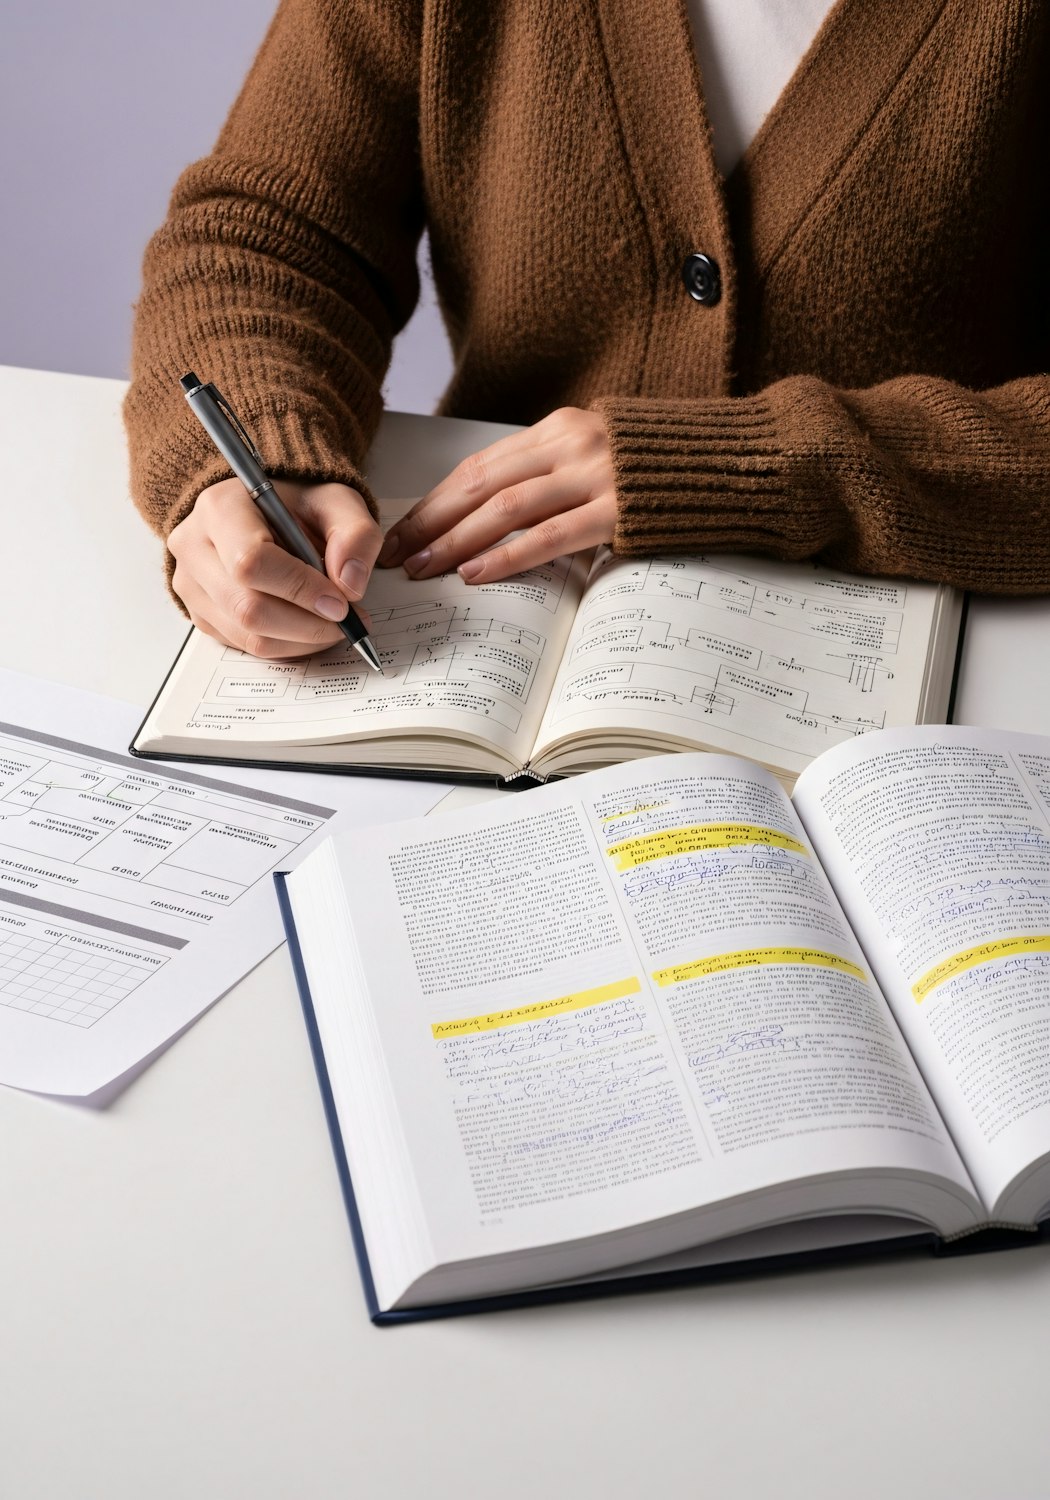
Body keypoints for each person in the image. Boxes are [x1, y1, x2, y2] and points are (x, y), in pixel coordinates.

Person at [125, 0, 1050, 663]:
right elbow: (263, 243)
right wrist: (258, 468)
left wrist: (757, 465)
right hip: (493, 631)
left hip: (949, 677)